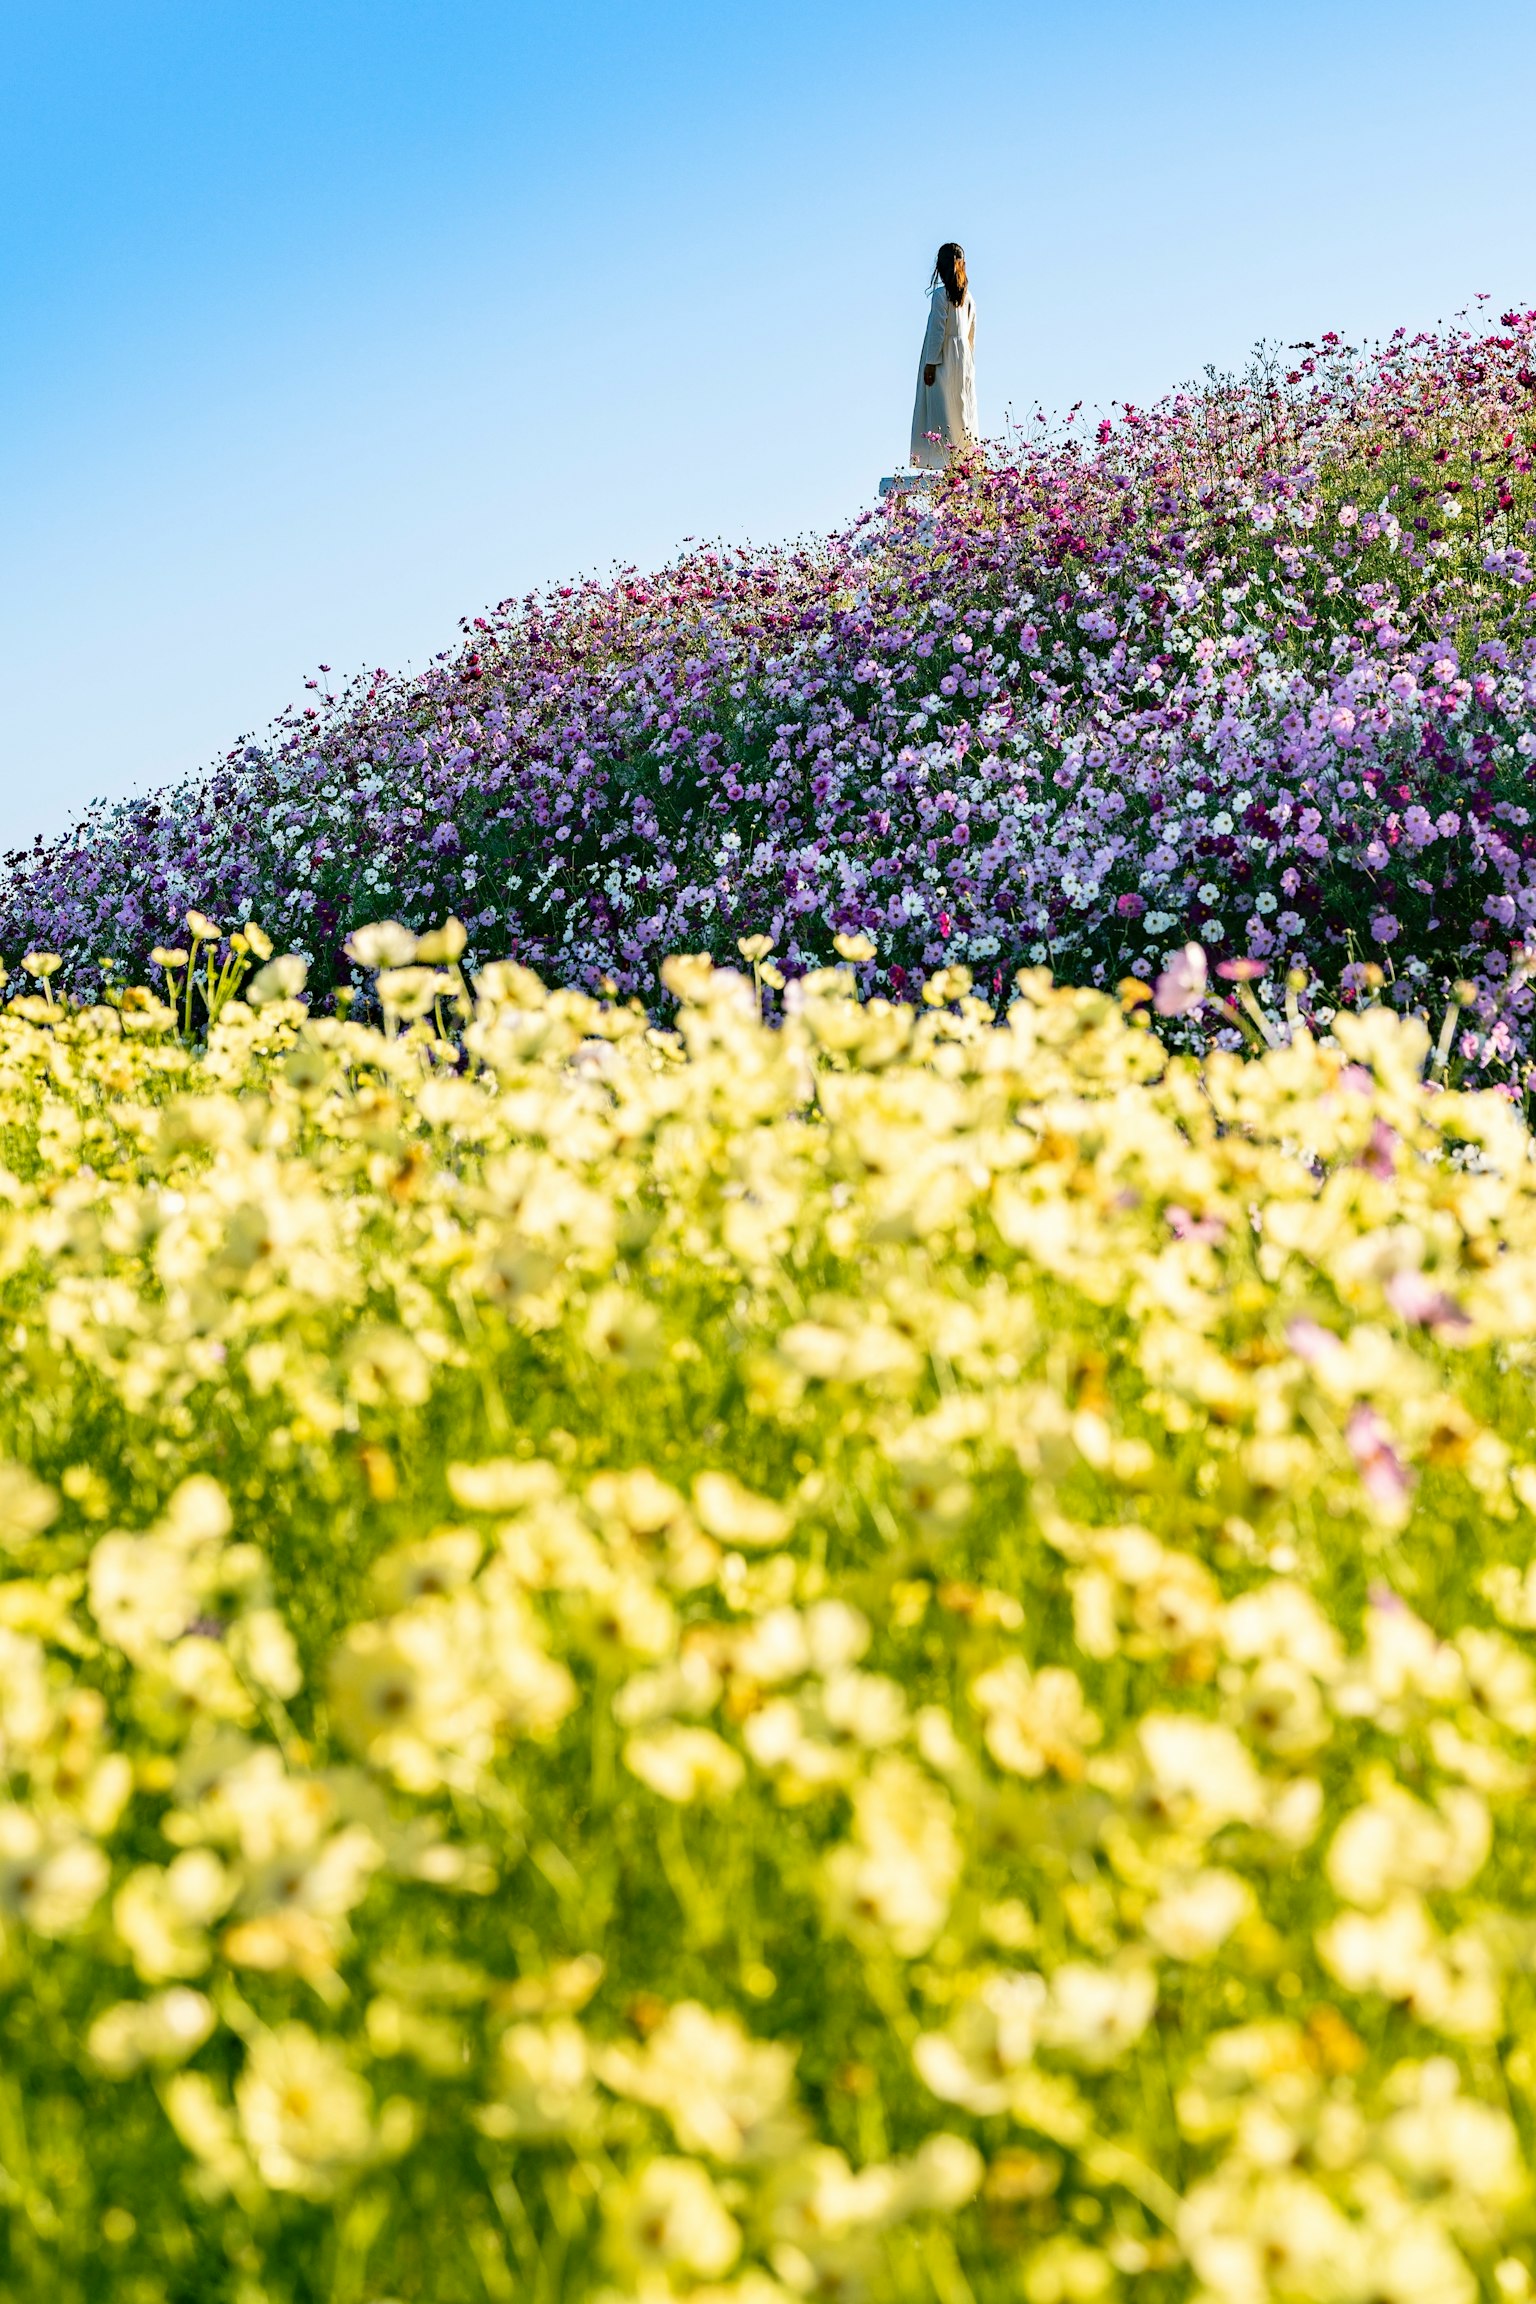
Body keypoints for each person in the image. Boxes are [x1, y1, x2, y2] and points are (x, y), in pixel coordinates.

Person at [910, 242, 976, 470]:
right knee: (961, 406)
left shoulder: (940, 295)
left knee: (940, 408)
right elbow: (971, 335)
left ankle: (942, 459)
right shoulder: (968, 298)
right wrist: (969, 362)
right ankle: (965, 458)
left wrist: (931, 362)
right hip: (963, 358)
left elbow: (938, 330)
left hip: (943, 357)